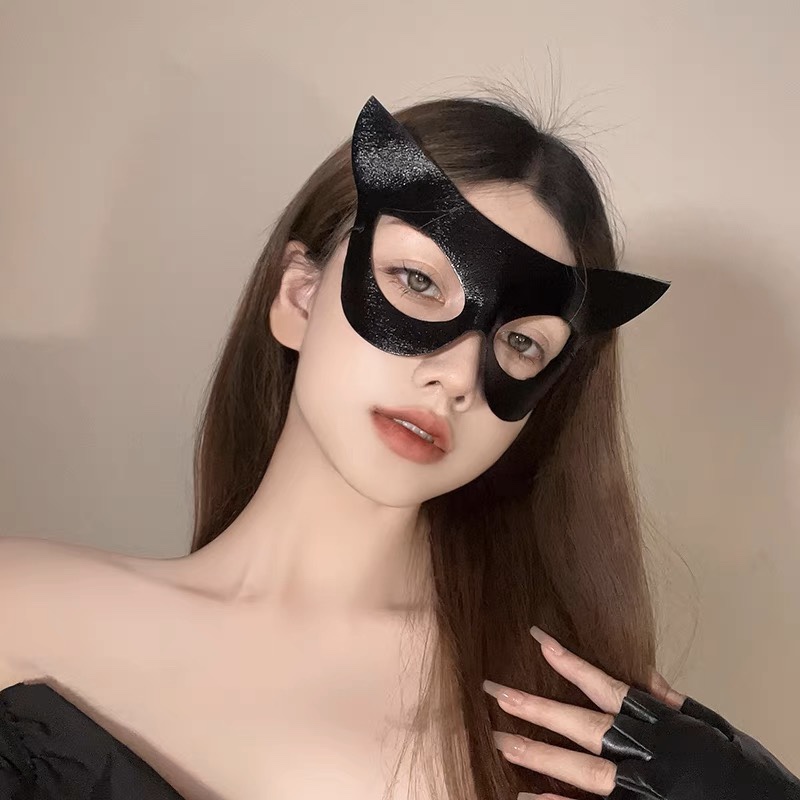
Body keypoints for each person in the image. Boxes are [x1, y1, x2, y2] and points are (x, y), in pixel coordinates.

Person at [0, 94, 796, 800]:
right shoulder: (20, 606)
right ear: (298, 297)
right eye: (419, 283)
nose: (456, 377)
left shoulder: (546, 733)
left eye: (521, 343)